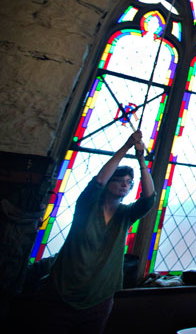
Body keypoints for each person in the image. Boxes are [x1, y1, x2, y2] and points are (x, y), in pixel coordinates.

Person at [43, 130, 156, 333]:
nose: (125, 184)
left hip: (99, 296)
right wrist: (126, 146)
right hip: (63, 292)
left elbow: (148, 198)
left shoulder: (125, 215)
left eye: (129, 182)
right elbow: (99, 180)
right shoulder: (88, 205)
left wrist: (142, 161)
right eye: (120, 179)